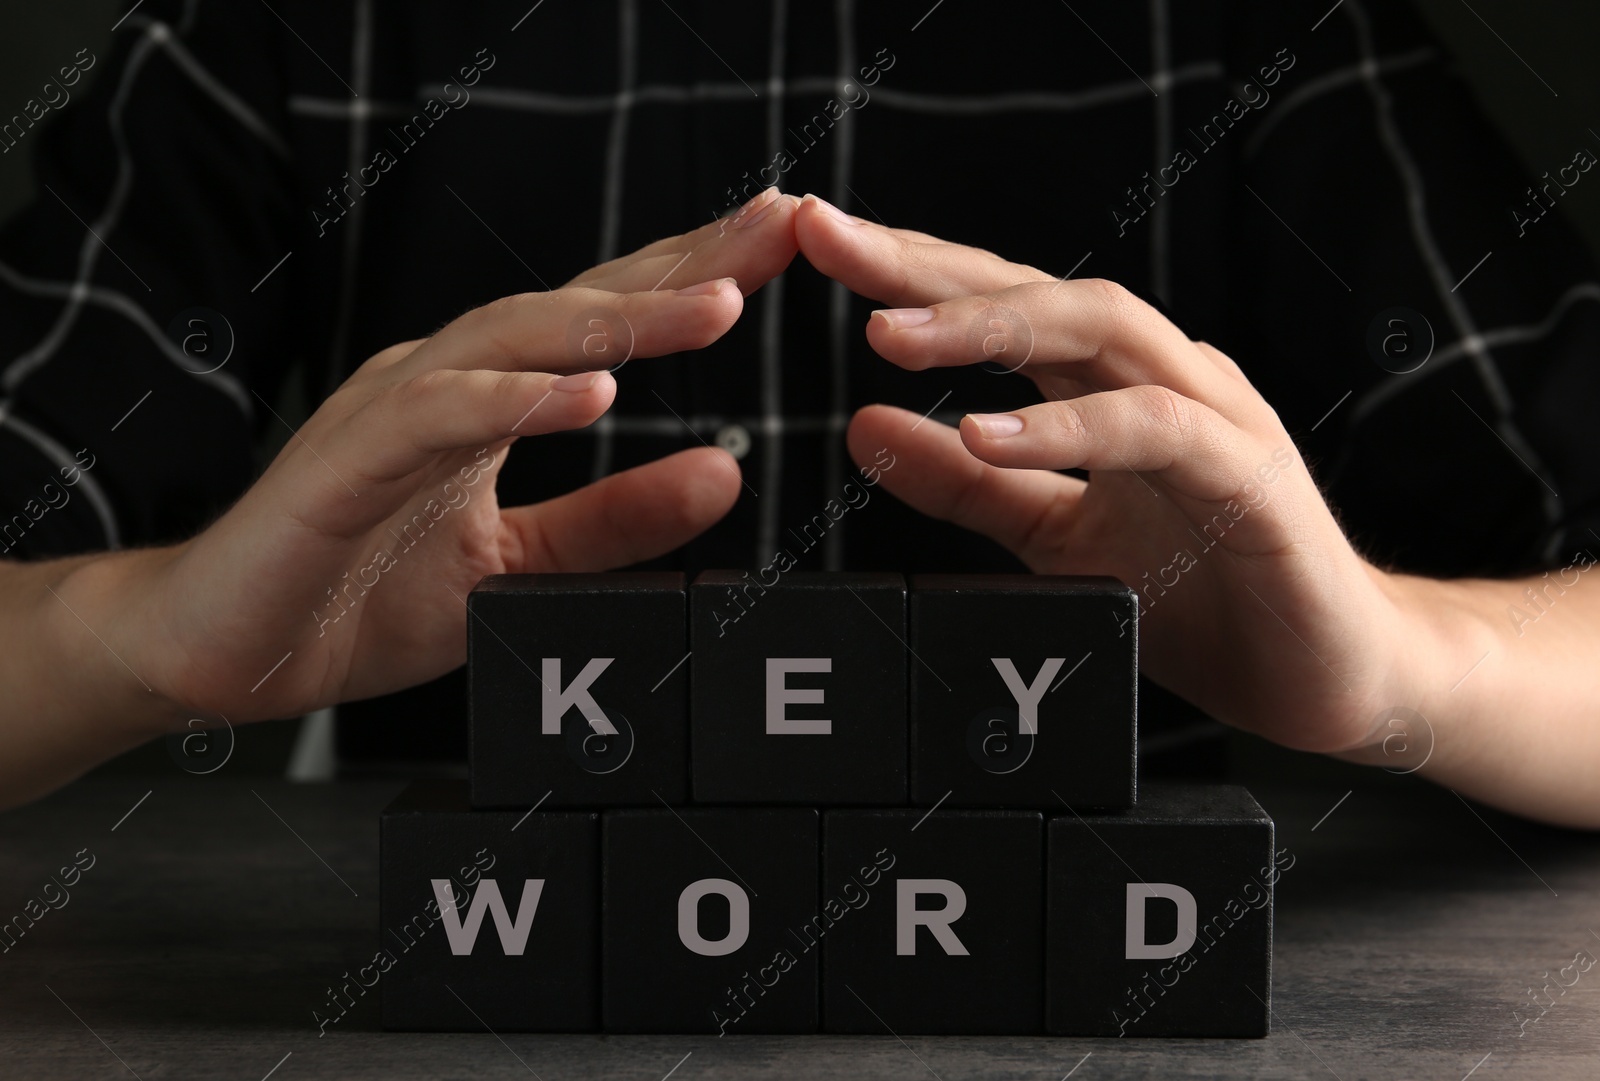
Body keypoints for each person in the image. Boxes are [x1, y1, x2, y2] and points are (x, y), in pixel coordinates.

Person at [2, 1, 1597, 826]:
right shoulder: (296, 29)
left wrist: (1399, 664)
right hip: (508, 964)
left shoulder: (1259, 29)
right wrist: (148, 637)